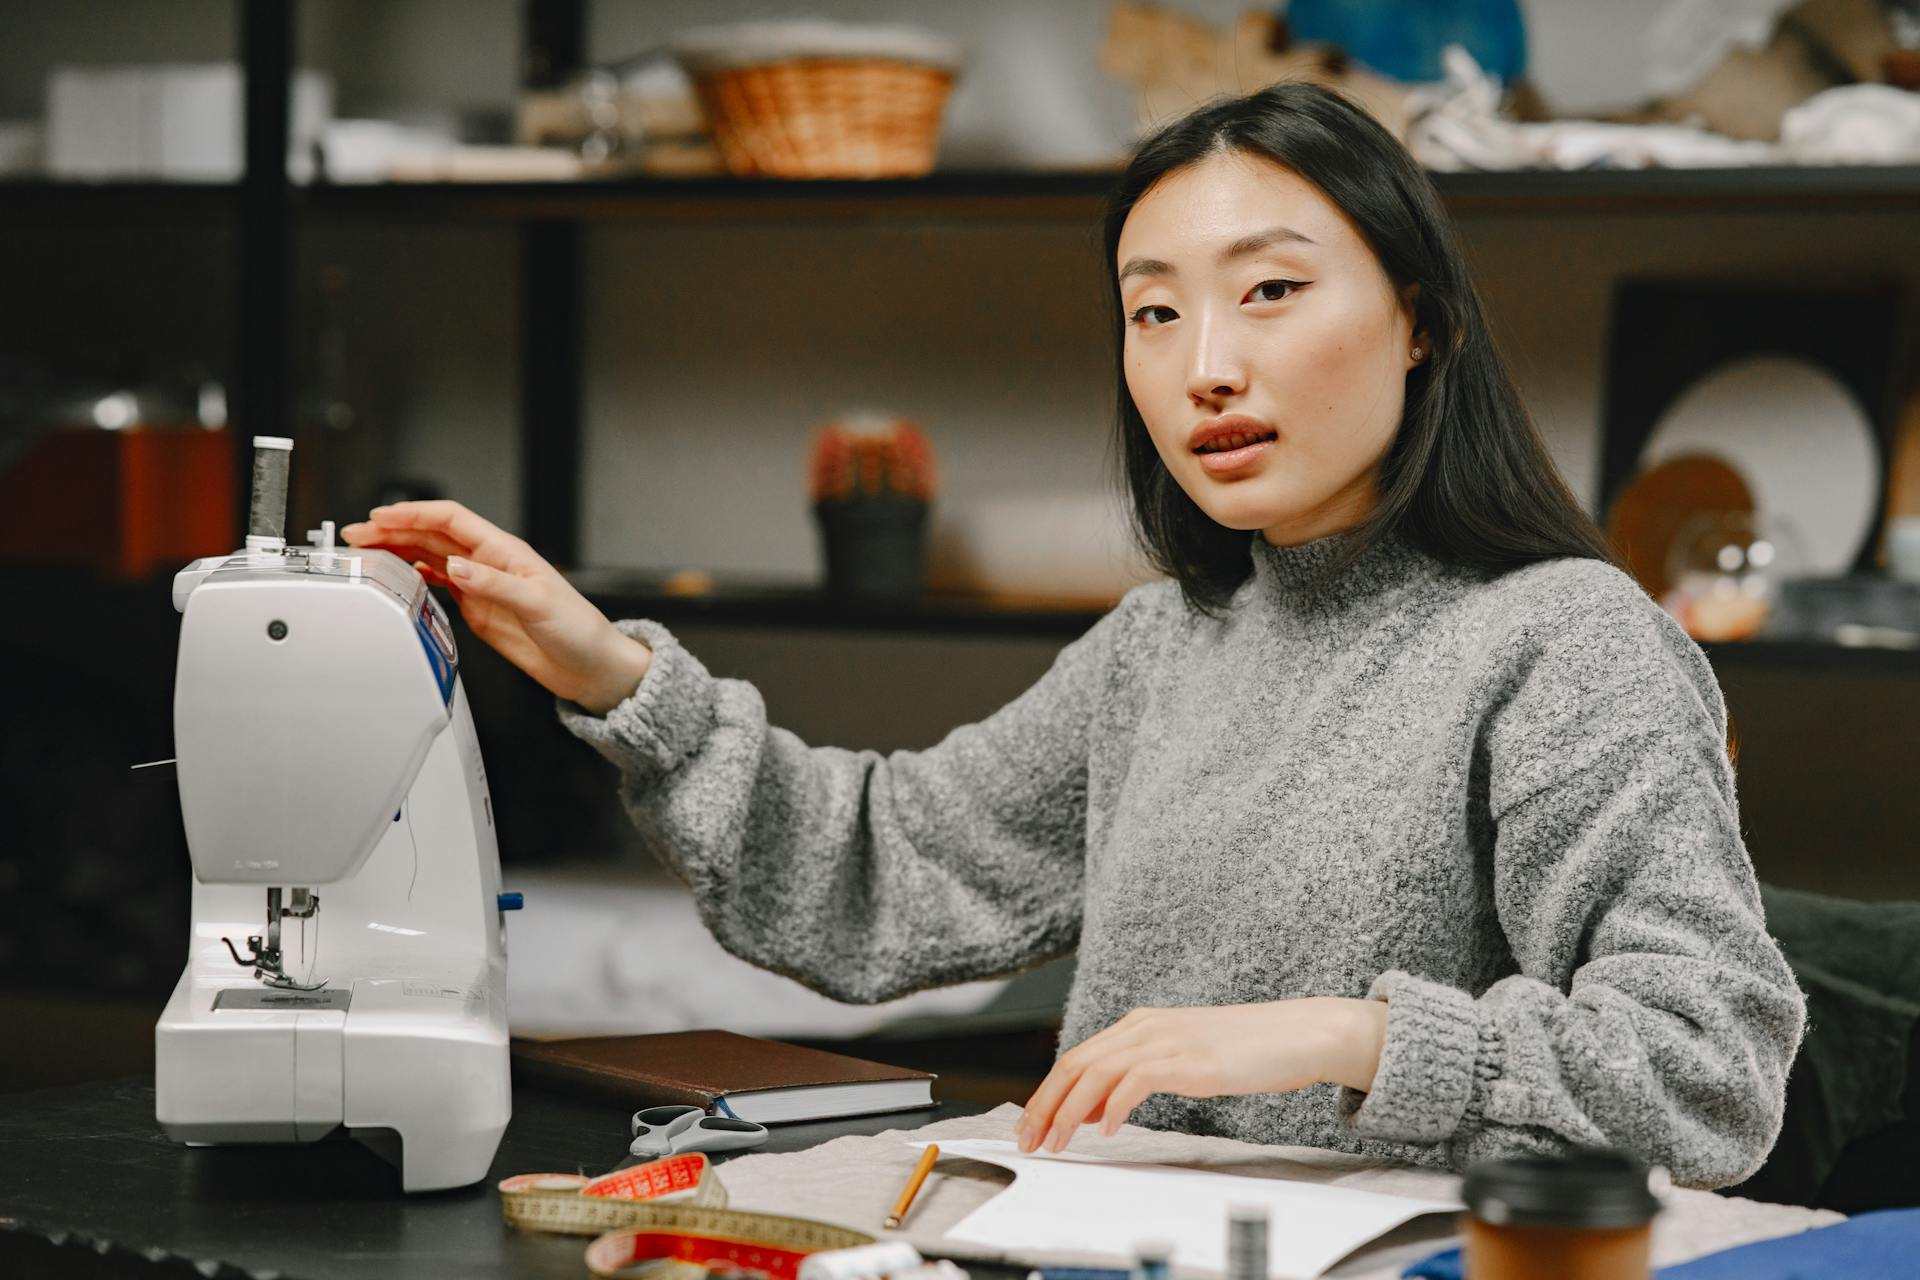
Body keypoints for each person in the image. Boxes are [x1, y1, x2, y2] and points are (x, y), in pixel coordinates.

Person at [342, 81, 1804, 1187]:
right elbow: (876, 882)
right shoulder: (1163, 647)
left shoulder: (1564, 644)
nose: (1207, 368)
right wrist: (614, 676)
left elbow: (1707, 1070)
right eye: (1153, 313)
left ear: (1421, 323)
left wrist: (1340, 1034)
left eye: (1273, 291)